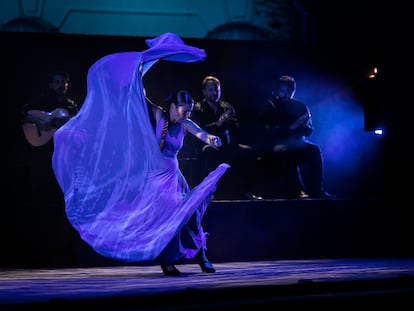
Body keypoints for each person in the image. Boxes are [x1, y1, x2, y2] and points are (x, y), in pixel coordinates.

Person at [51, 32, 229, 276]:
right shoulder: (158, 115)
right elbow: (135, 91)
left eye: (189, 111)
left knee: (191, 216)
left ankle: (202, 257)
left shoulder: (185, 123)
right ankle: (167, 262)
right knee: (165, 221)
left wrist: (211, 138)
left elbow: (199, 133)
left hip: (173, 177)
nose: (186, 115)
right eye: (183, 110)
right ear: (172, 106)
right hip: (154, 180)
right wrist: (146, 61)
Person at [17, 70, 80, 267]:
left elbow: (79, 128)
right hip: (43, 158)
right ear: (51, 84)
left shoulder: (72, 106)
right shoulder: (42, 101)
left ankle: (63, 253)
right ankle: (40, 252)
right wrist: (41, 122)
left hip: (63, 160)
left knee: (62, 205)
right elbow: (22, 114)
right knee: (42, 202)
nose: (60, 85)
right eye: (57, 81)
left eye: (64, 82)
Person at [257, 75, 335, 199]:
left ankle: (317, 189)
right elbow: (267, 131)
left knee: (314, 150)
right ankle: (298, 190)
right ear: (278, 90)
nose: (286, 94)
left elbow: (309, 131)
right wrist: (292, 126)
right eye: (283, 90)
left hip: (295, 142)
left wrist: (304, 125)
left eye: (289, 91)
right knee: (287, 151)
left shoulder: (300, 106)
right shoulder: (271, 106)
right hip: (273, 145)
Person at [189, 75, 261, 200]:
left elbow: (237, 131)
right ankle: (209, 192)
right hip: (207, 145)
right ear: (204, 91)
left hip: (226, 145)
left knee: (248, 151)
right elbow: (198, 131)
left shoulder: (227, 107)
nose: (215, 92)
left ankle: (247, 191)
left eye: (217, 89)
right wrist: (218, 123)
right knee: (209, 151)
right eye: (211, 89)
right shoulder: (198, 108)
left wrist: (231, 123)